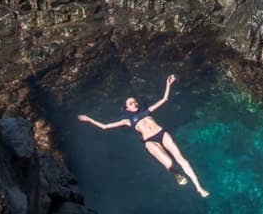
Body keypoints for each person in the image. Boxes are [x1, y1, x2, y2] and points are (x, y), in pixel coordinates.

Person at [77, 74, 209, 198]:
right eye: (131, 103)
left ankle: (199, 188)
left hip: (162, 133)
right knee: (169, 163)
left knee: (183, 160)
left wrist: (168, 84)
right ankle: (176, 174)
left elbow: (164, 99)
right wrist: (89, 119)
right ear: (127, 108)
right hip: (149, 140)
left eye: (135, 102)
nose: (134, 104)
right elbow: (105, 126)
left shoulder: (146, 110)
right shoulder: (126, 120)